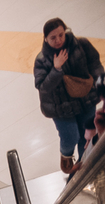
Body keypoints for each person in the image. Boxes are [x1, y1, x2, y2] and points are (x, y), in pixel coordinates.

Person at [35, 18, 103, 174]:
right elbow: (42, 86)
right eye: (53, 37)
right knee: (71, 137)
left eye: (61, 34)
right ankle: (66, 161)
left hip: (85, 101)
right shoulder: (42, 60)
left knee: (86, 139)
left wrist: (96, 86)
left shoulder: (82, 45)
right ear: (46, 38)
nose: (58, 40)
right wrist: (56, 68)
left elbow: (96, 66)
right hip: (60, 108)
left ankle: (83, 168)